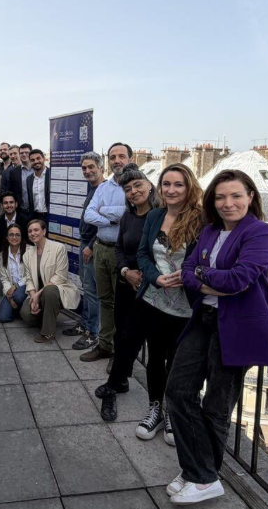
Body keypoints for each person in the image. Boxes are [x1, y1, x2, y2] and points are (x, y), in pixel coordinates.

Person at [165, 169, 268, 505]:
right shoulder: (209, 231)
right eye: (220, 197)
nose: (227, 203)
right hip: (204, 320)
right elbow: (187, 271)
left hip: (236, 328)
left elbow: (239, 280)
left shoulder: (260, 232)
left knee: (216, 406)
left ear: (250, 197)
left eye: (235, 196)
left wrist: (201, 275)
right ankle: (199, 469)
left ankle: (203, 477)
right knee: (178, 391)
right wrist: (204, 278)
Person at [134, 163, 203, 445]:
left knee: (177, 362)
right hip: (154, 300)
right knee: (155, 359)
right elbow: (142, 255)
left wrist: (188, 276)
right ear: (159, 188)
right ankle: (155, 408)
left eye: (178, 184)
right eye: (166, 184)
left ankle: (173, 412)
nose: (171, 190)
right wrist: (156, 278)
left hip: (185, 306)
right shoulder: (155, 216)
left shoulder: (201, 220)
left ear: (189, 187)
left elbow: (206, 260)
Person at [95, 164, 159, 422]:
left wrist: (141, 275)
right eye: (128, 188)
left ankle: (113, 385)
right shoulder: (128, 217)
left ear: (149, 186)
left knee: (132, 337)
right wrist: (124, 271)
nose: (133, 191)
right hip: (125, 283)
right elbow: (119, 248)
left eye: (137, 185)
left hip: (148, 288)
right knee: (122, 334)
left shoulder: (159, 217)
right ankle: (120, 381)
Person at [80, 142, 132, 367]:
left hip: (122, 253)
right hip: (101, 248)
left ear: (130, 159)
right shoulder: (103, 187)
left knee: (122, 305)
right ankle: (104, 345)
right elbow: (88, 215)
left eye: (121, 156)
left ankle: (119, 355)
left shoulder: (136, 185)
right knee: (105, 301)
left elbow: (130, 213)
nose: (117, 160)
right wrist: (113, 219)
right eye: (112, 157)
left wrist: (104, 211)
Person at [63, 152, 105, 350]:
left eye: (91, 167)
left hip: (92, 246)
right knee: (87, 287)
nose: (87, 171)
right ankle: (85, 324)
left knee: (92, 291)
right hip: (85, 243)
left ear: (101, 167)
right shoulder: (93, 189)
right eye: (84, 168)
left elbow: (107, 224)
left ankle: (93, 333)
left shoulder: (104, 191)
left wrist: (91, 246)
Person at [20, 220, 80, 342]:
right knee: (26, 315)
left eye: (36, 230)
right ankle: (48, 314)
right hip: (39, 293)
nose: (33, 233)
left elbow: (60, 276)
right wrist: (33, 296)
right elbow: (29, 279)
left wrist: (38, 294)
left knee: (49, 290)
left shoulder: (58, 248)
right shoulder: (27, 254)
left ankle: (47, 332)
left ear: (44, 231)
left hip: (56, 290)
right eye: (30, 231)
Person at [0, 224, 28, 322]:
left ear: (21, 237)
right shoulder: (2, 255)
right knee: (2, 317)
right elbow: (4, 278)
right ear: (7, 237)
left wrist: (16, 286)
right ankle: (19, 309)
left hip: (26, 286)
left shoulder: (29, 251)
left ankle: (22, 307)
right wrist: (9, 297)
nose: (14, 237)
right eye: (11, 235)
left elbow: (31, 274)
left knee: (18, 296)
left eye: (17, 235)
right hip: (11, 290)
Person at [0, 192, 29, 258]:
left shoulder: (25, 220)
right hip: (3, 256)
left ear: (16, 204)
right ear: (2, 206)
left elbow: (27, 241)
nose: (9, 205)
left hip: (23, 255)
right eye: (5, 203)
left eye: (11, 202)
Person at [4, 143, 33, 215]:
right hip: (21, 210)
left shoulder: (38, 169)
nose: (24, 155)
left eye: (27, 152)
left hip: (38, 211)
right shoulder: (14, 172)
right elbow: (10, 191)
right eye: (21, 153)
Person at [26, 149, 49, 222]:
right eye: (32, 160)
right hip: (35, 217)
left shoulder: (52, 174)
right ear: (30, 162)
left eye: (38, 158)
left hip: (50, 216)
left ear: (44, 159)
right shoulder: (29, 179)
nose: (36, 161)